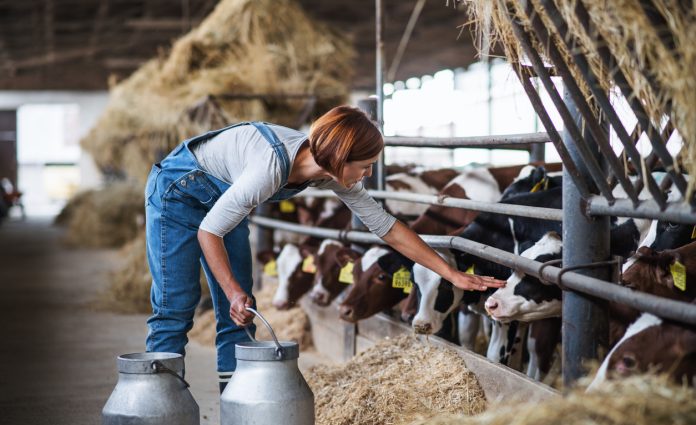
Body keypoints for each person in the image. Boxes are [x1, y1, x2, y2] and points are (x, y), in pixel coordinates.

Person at [144, 105, 506, 392]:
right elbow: (209, 232)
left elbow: (389, 229)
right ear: (341, 156)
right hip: (179, 191)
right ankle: (156, 416)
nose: (366, 175)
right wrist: (232, 289)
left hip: (225, 198)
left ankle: (240, 421)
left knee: (240, 316)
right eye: (364, 167)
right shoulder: (270, 168)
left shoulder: (331, 169)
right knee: (176, 305)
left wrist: (452, 273)